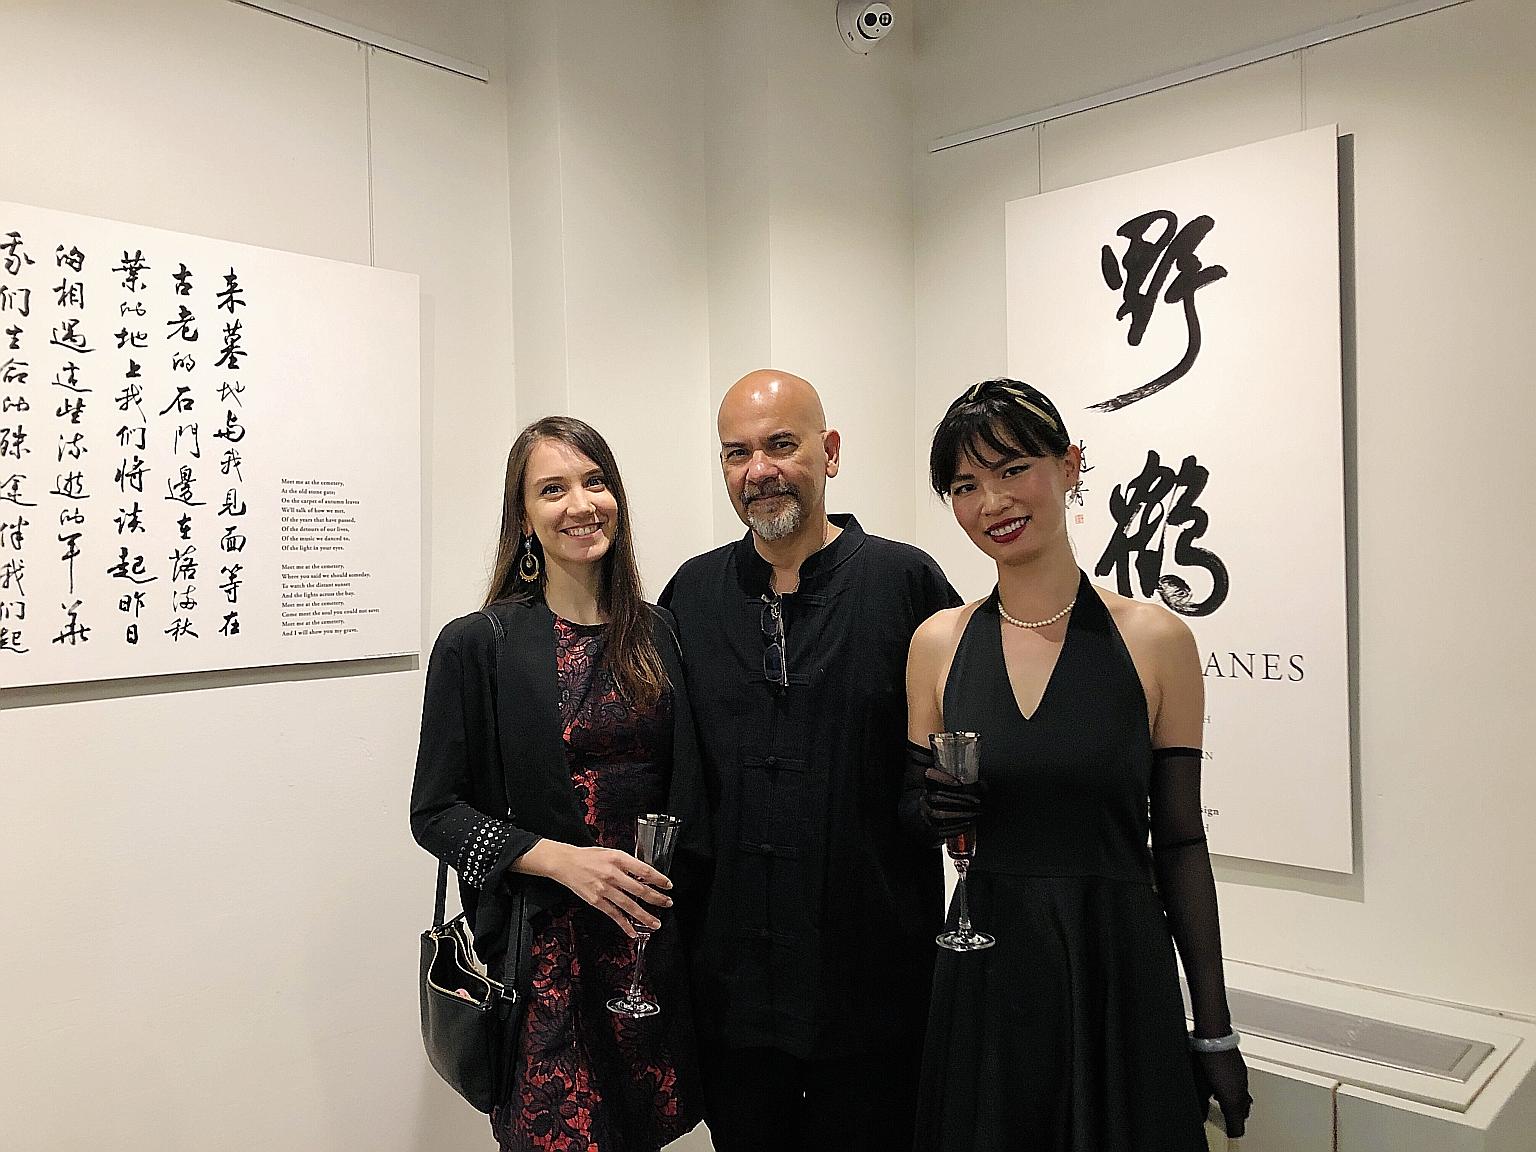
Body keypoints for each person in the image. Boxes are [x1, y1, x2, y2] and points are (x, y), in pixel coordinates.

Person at [904, 378, 1252, 1150]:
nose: (991, 500)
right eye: (965, 485)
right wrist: (931, 811)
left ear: (1069, 464)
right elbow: (910, 806)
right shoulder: (938, 643)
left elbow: (1183, 843)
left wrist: (1215, 1031)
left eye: (1012, 468)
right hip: (986, 966)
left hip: (1116, 966)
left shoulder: (1156, 639)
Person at [659, 369, 960, 1152]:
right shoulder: (690, 595)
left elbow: (964, 751)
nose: (759, 469)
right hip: (733, 994)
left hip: (872, 984)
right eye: (737, 452)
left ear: (829, 453)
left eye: (781, 445)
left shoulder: (906, 583)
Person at [411, 416, 709, 1152]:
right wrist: (557, 858)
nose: (581, 504)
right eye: (553, 489)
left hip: (646, 950)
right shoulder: (479, 643)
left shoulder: (658, 631)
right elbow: (435, 813)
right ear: (524, 518)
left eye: (595, 481)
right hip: (543, 959)